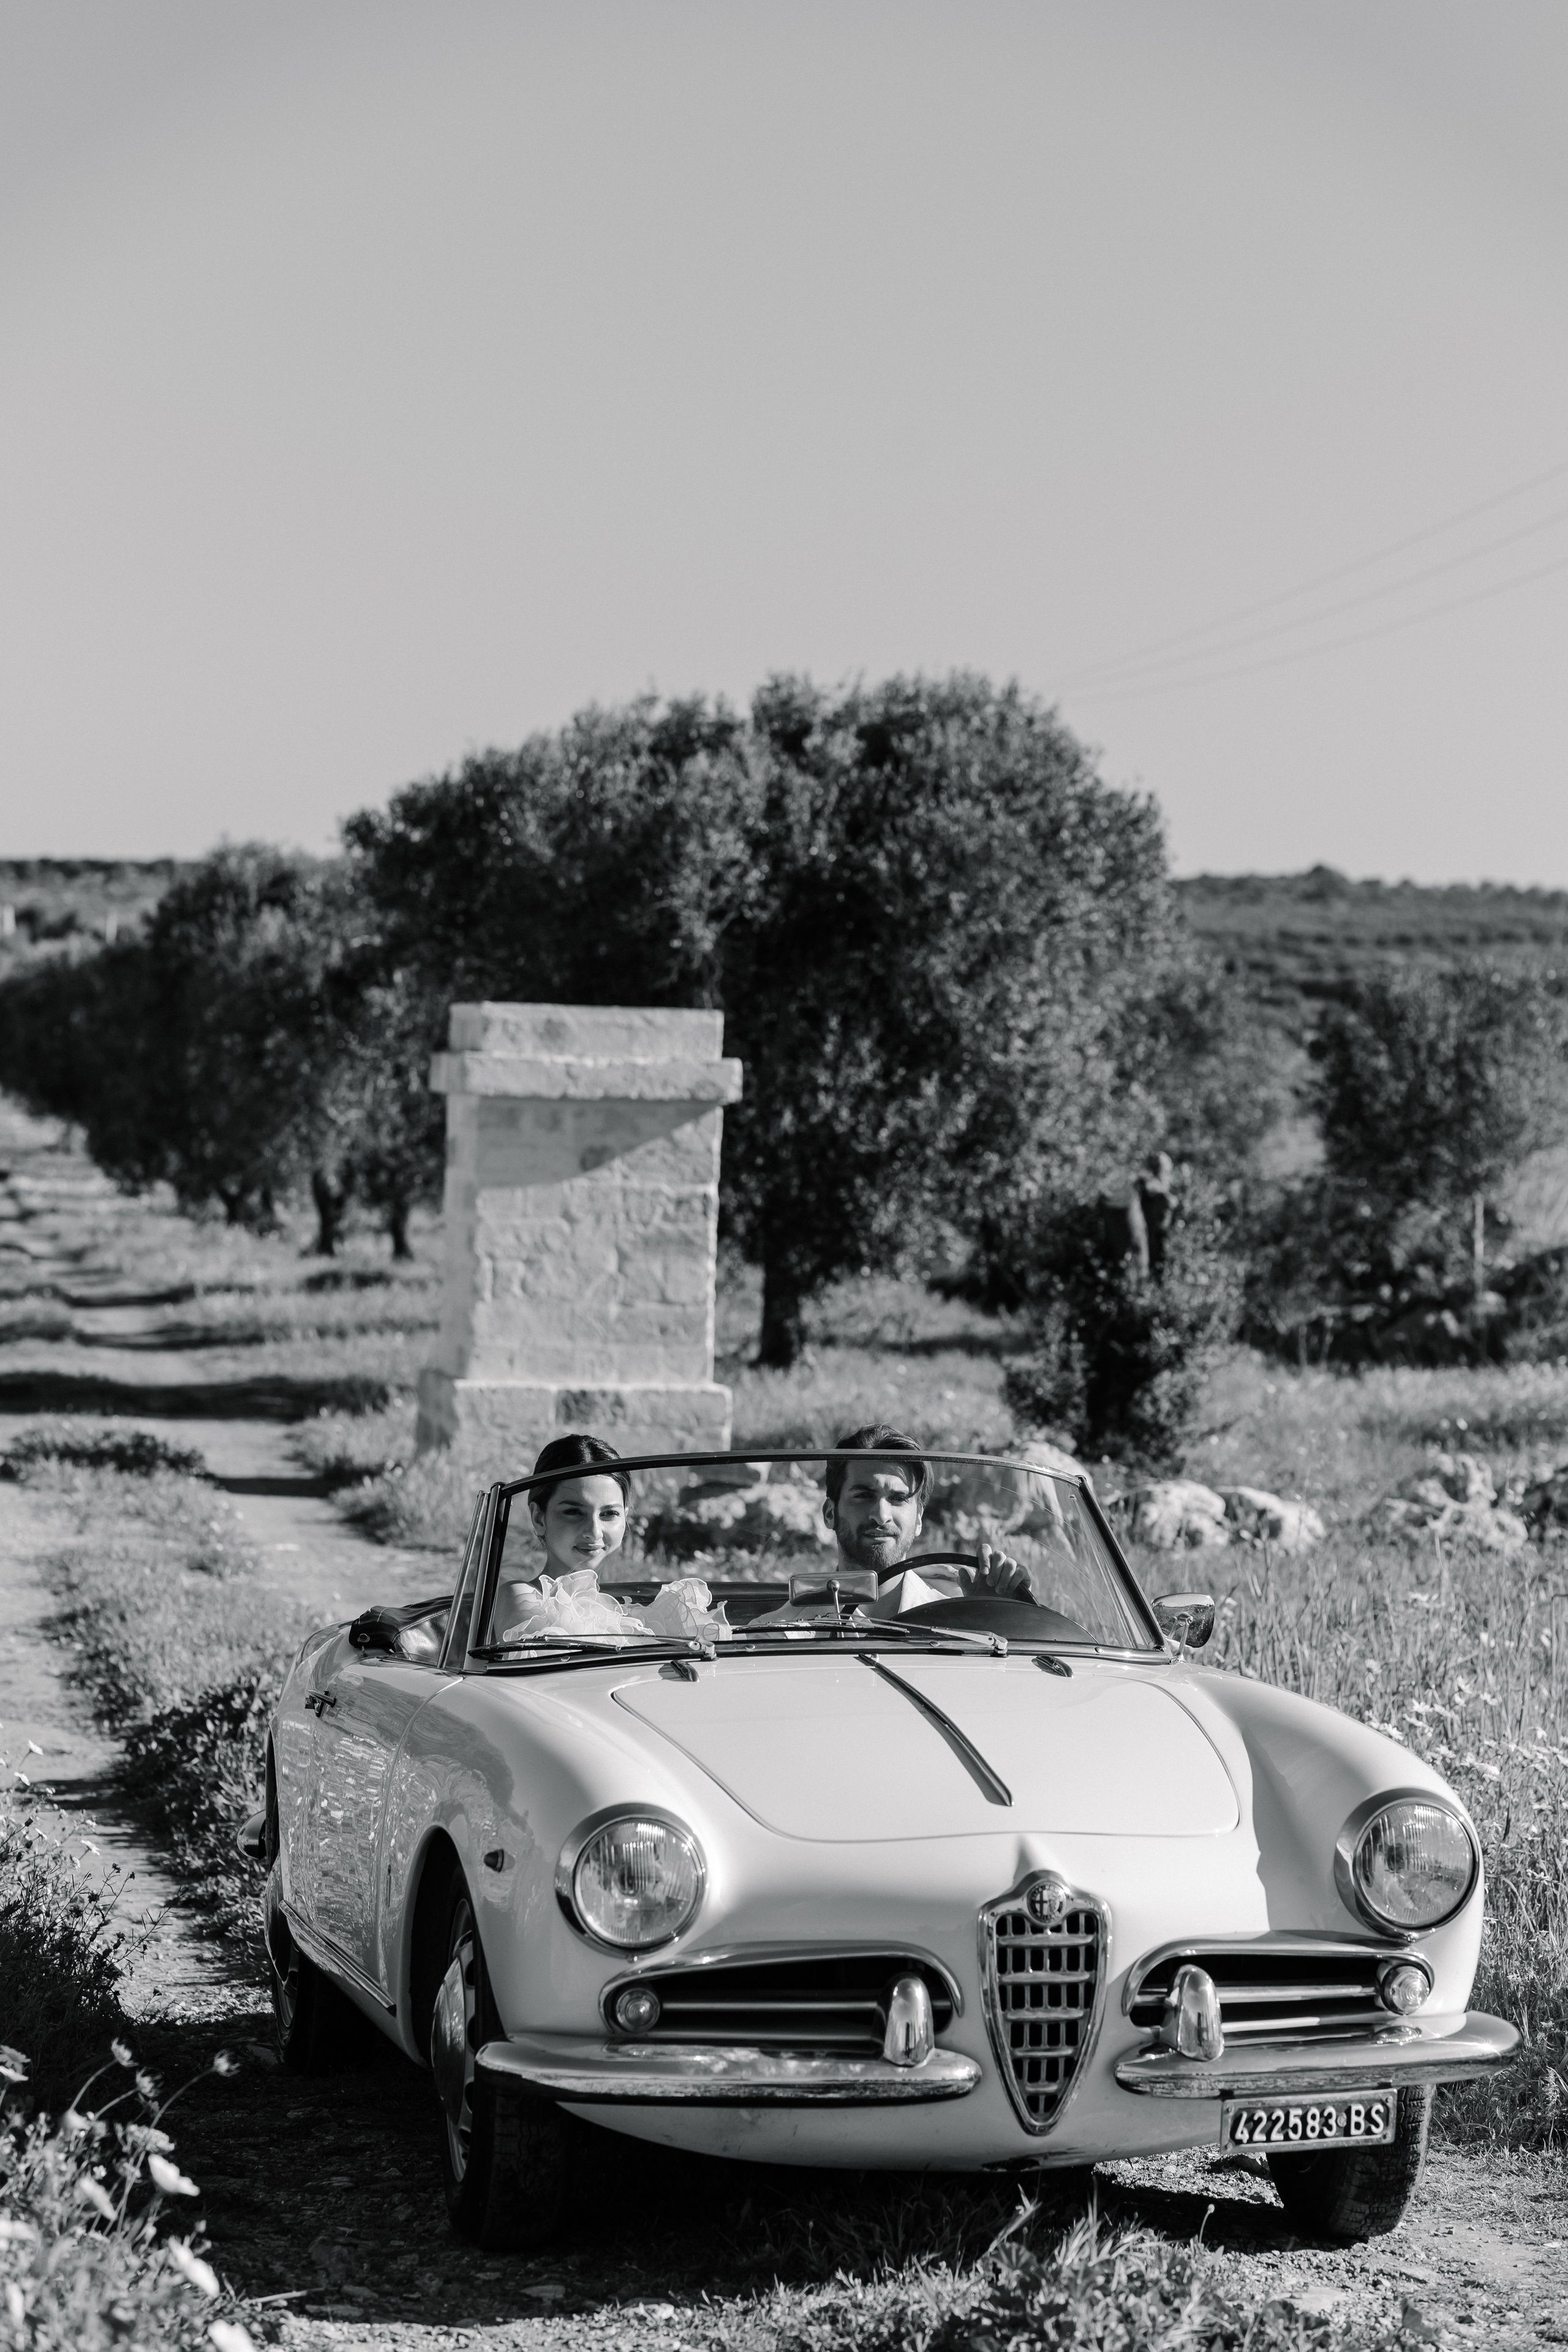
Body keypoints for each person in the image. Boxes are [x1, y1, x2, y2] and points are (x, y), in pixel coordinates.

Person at [821, 1424, 1038, 1611]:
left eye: (898, 1498)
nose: (881, 1516)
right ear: (830, 1513)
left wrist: (1001, 1614)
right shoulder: (792, 1631)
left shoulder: (959, 1611)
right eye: (864, 1496)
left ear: (918, 1519)